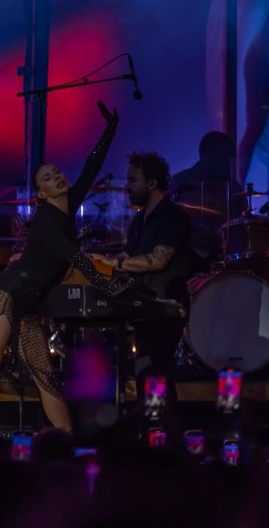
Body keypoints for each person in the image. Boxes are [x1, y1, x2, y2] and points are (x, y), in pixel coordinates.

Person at [0, 102, 130, 431]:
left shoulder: (68, 204)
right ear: (41, 193)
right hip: (2, 298)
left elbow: (92, 166)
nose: (58, 178)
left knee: (46, 378)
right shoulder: (47, 222)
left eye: (57, 173)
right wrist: (106, 285)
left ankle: (67, 445)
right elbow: (76, 257)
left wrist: (111, 128)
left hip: (25, 308)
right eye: (48, 178)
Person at [92, 152, 192, 416]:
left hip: (167, 305)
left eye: (133, 180)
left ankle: (162, 430)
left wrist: (115, 264)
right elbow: (129, 256)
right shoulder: (140, 219)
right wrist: (99, 265)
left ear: (151, 183)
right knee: (146, 371)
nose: (127, 186)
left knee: (156, 371)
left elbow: (158, 260)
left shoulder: (171, 216)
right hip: (146, 307)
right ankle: (153, 426)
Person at [169, 130, 243, 266]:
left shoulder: (235, 188)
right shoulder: (180, 183)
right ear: (206, 156)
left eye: (231, 158)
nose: (230, 163)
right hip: (186, 259)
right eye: (225, 157)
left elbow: (240, 224)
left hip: (225, 259)